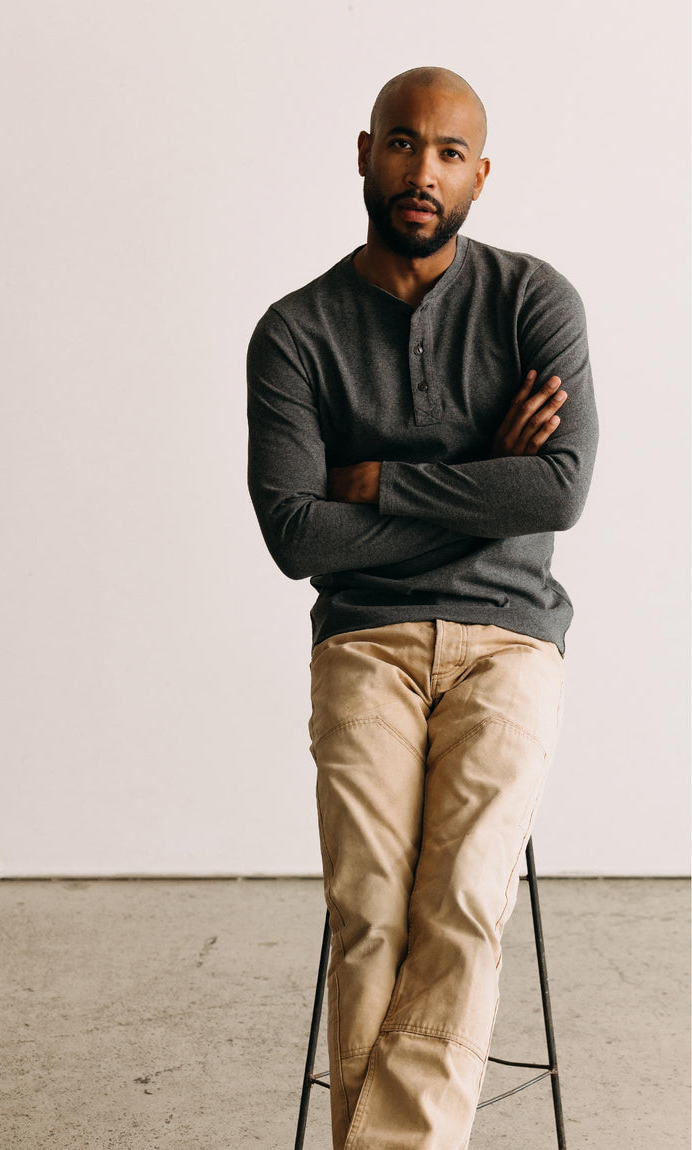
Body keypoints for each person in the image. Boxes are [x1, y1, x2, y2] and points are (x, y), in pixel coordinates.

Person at [247, 65, 598, 1150]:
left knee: (458, 904)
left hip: (511, 641)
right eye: (404, 143)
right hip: (365, 642)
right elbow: (298, 538)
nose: (423, 170)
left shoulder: (535, 298)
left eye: (450, 153)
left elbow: (560, 491)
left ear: (480, 175)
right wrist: (481, 481)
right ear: (365, 152)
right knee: (371, 916)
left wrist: (383, 482)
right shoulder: (296, 333)